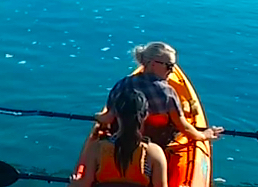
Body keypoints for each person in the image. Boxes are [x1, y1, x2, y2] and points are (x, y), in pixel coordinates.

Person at [68, 85, 191, 187]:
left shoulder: (96, 148)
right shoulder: (154, 153)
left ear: (116, 115)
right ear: (145, 115)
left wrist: (75, 183)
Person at [95, 41, 223, 147]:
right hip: (156, 145)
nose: (172, 70)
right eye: (169, 66)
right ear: (152, 64)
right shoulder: (166, 93)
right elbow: (184, 127)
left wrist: (96, 117)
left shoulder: (122, 85)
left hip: (121, 144)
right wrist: (204, 135)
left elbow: (107, 118)